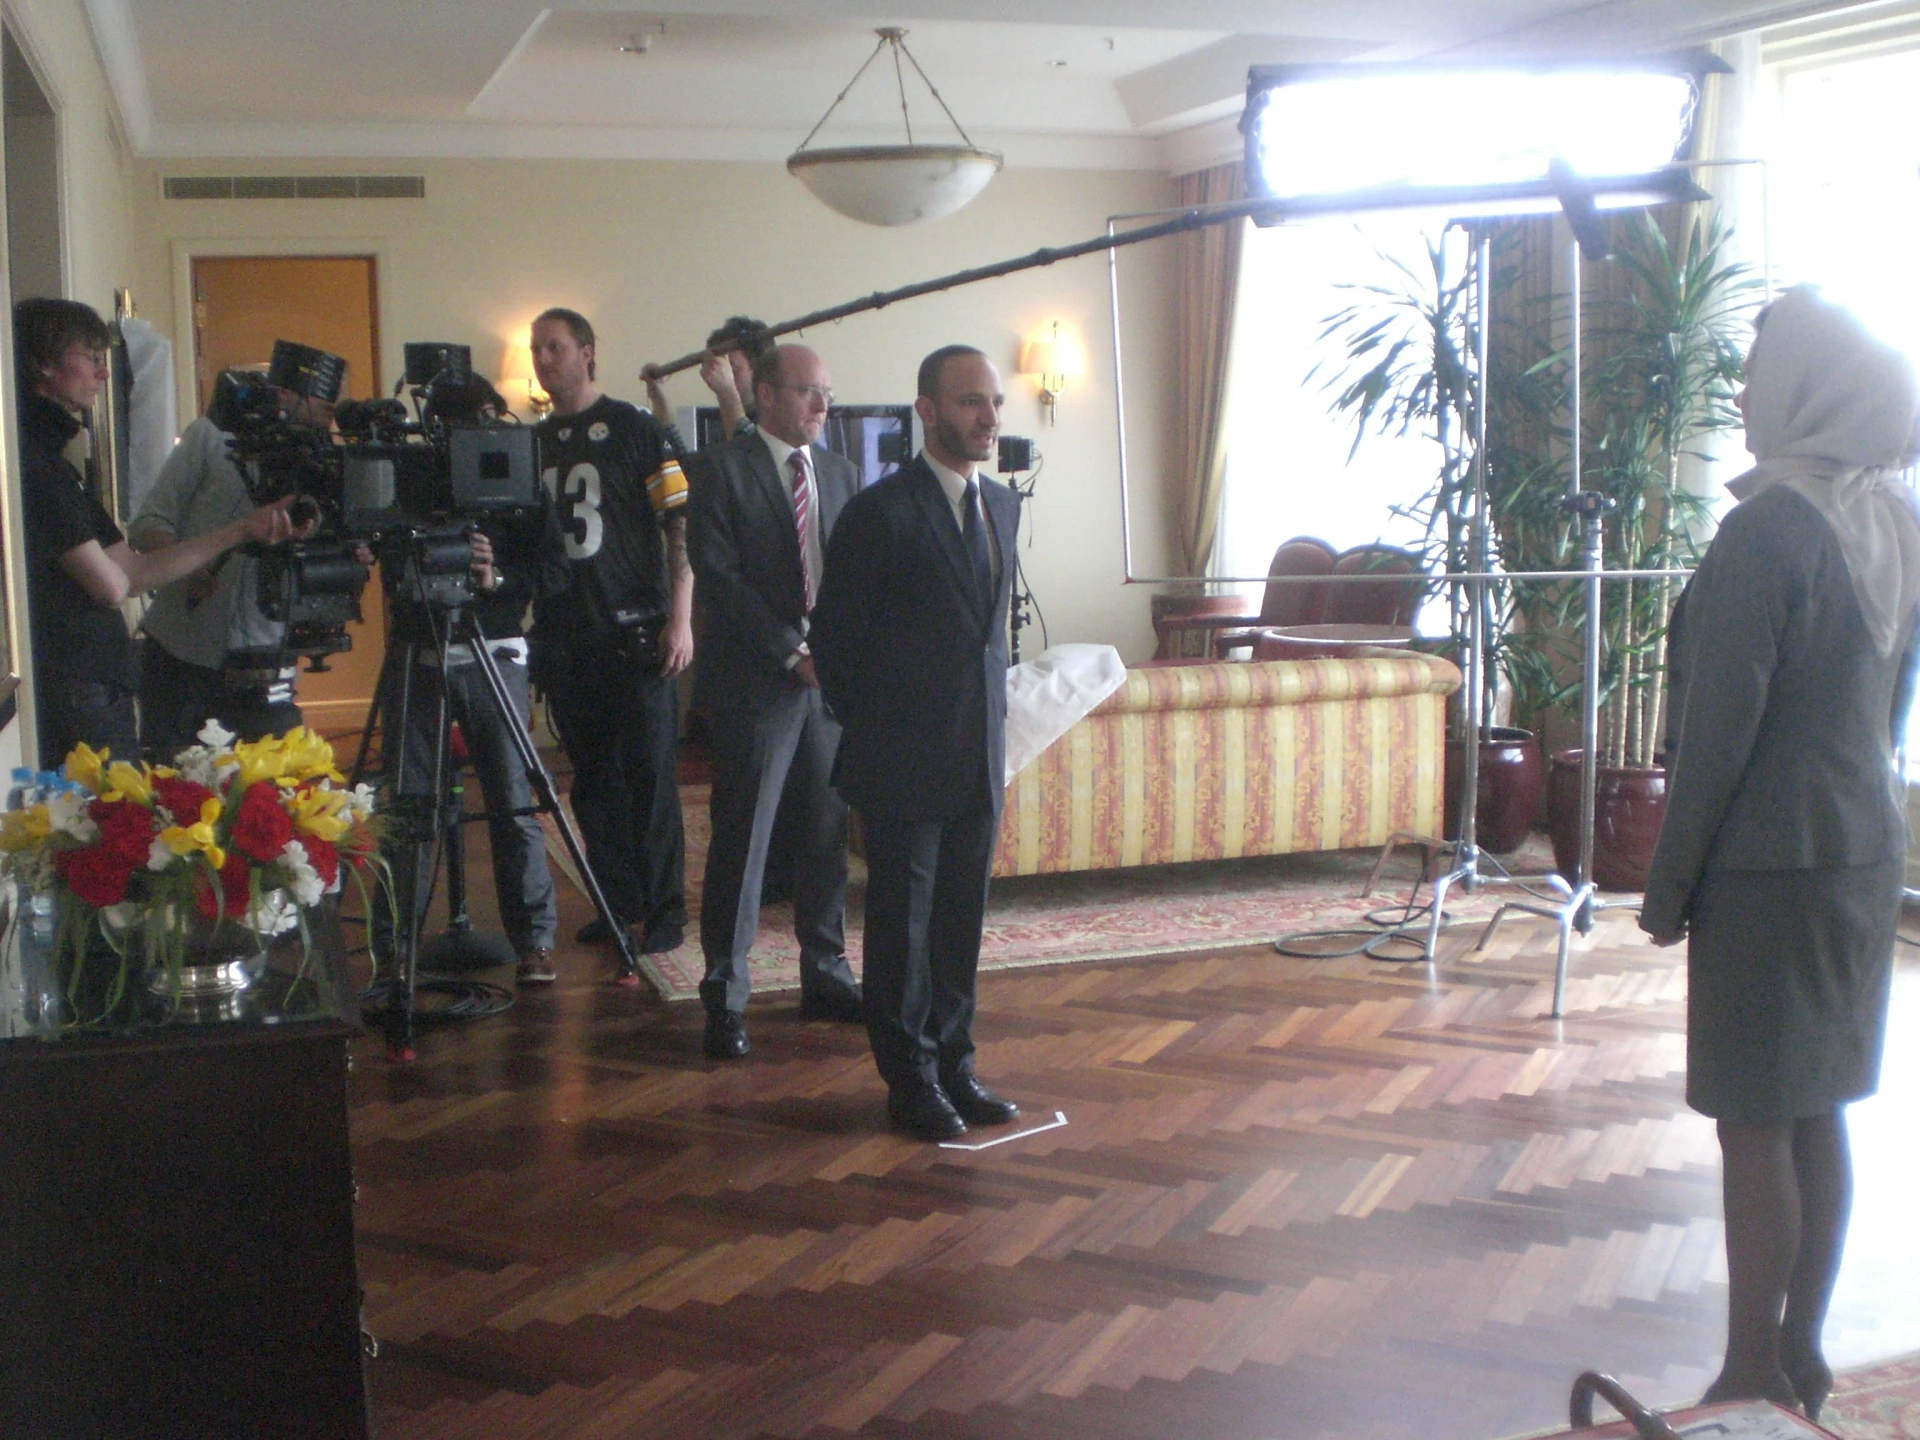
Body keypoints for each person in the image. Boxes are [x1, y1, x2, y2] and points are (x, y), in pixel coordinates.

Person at [1640, 286, 1920, 1417]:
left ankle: (1750, 1367)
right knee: (1821, 1110)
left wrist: (1665, 888)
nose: (1743, 395)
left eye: (1757, 376)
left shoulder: (1767, 530)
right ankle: (1801, 1348)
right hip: (1863, 854)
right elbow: (1891, 709)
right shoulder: (1899, 519)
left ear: (1806, 388)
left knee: (1754, 1124)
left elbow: (1717, 739)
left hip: (1766, 865)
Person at [810, 344, 1021, 1141]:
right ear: (927, 410)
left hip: (978, 755)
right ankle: (909, 1080)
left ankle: (956, 1064)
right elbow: (836, 646)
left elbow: (985, 637)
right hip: (902, 758)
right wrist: (886, 728)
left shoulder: (1001, 507)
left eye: (994, 403)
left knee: (960, 921)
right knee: (902, 928)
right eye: (971, 402)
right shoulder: (879, 513)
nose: (989, 418)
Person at [13, 298, 301, 768]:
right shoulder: (35, 464)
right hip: (78, 685)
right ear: (43, 364)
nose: (103, 374)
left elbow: (134, 568)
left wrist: (242, 530)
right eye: (91, 357)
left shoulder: (52, 462)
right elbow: (113, 586)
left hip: (97, 684)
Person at [685, 344, 862, 1059]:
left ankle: (826, 973)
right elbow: (719, 578)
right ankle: (726, 997)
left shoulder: (844, 474)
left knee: (825, 835)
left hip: (830, 689)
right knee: (744, 841)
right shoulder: (720, 472)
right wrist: (793, 650)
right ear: (764, 394)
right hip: (757, 681)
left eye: (825, 391)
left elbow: (853, 575)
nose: (821, 405)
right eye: (805, 392)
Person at [385, 375, 566, 987]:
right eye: (466, 422)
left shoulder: (518, 474)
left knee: (515, 802)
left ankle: (534, 943)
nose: (481, 433)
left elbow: (554, 570)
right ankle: (398, 947)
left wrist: (496, 582)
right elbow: (384, 558)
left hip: (496, 651)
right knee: (410, 808)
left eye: (490, 417)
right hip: (420, 651)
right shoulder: (408, 476)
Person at [527, 307, 693, 966]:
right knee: (591, 783)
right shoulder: (533, 442)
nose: (544, 359)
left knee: (651, 779)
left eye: (555, 346)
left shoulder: (635, 429)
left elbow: (680, 522)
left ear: (588, 352)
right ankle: (616, 904)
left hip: (638, 633)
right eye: (536, 348)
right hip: (567, 638)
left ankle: (665, 911)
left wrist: (681, 616)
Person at [130, 371, 336, 756]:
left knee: (274, 802)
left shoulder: (327, 464)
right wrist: (193, 567)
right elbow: (147, 525)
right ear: (286, 392)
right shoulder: (211, 436)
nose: (332, 407)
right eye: (322, 396)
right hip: (183, 656)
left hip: (268, 661)